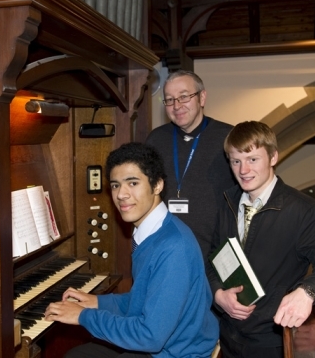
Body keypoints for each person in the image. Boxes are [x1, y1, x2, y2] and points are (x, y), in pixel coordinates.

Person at [45, 142, 219, 358]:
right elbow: (144, 301)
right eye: (116, 185)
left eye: (133, 183)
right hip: (162, 343)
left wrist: (84, 317)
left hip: (176, 352)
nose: (121, 194)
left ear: (157, 186)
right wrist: (98, 302)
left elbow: (150, 336)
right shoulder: (154, 231)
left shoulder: (174, 248)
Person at [206, 121, 315, 358]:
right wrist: (217, 294)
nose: (243, 170)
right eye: (236, 161)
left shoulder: (303, 210)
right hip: (229, 338)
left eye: (252, 159)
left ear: (273, 157)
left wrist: (307, 292)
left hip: (271, 343)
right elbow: (214, 257)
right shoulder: (228, 203)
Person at [146, 70, 235, 262]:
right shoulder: (155, 139)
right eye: (169, 100)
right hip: (166, 249)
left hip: (216, 251)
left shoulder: (229, 137)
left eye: (184, 97)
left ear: (202, 97)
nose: (176, 106)